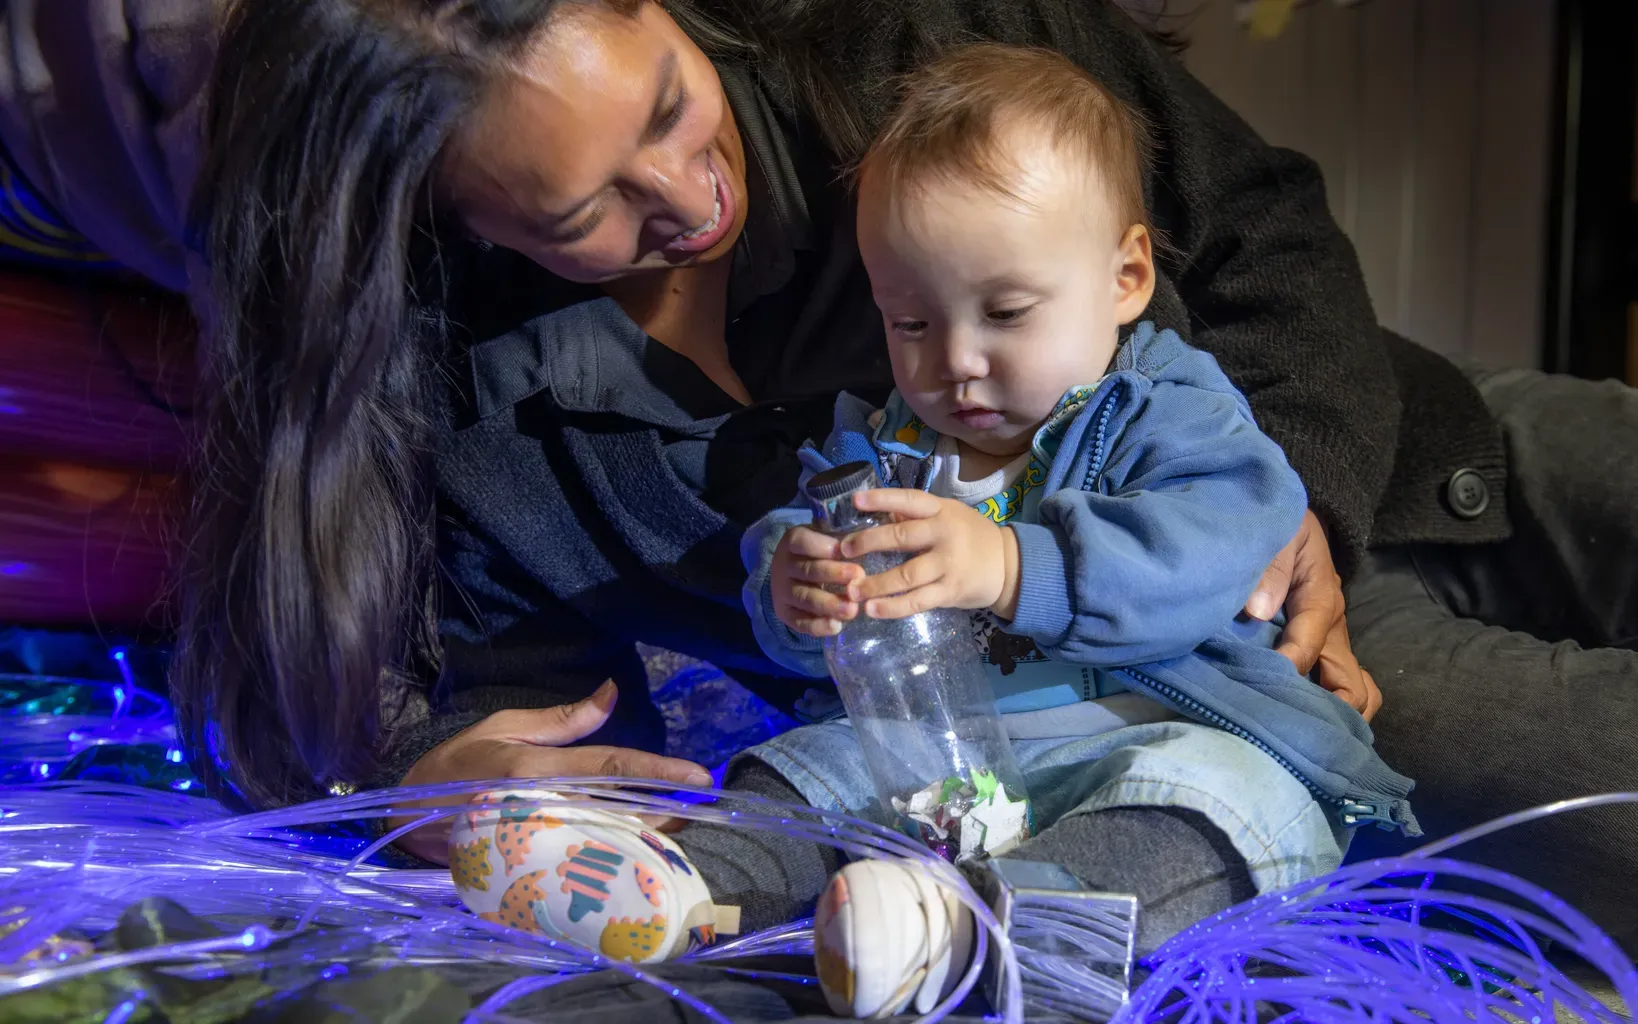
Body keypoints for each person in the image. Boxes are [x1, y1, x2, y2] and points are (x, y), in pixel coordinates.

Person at [2, 0, 1632, 949]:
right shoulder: (484, 415)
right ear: (460, 223)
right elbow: (442, 692)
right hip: (1230, 701)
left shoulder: (902, 45)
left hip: (1419, 454)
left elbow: (1263, 227)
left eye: (660, 98)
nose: (682, 188)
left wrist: (1303, 496)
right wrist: (427, 754)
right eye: (581, 211)